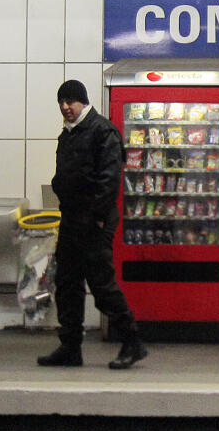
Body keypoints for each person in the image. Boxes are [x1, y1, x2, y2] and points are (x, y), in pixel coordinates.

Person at [39, 79, 147, 370]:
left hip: (94, 219)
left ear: (83, 102)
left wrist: (98, 216)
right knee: (67, 284)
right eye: (62, 102)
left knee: (100, 283)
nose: (65, 107)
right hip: (72, 218)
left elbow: (110, 178)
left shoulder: (103, 131)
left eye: (71, 101)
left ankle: (132, 341)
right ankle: (70, 346)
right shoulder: (69, 134)